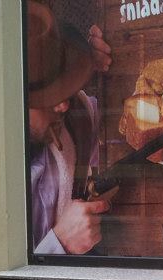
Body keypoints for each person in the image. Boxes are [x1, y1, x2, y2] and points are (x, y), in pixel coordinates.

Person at [27, 1, 112, 255]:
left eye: (63, 87)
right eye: (46, 98)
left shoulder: (77, 115)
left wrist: (91, 64)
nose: (63, 106)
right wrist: (60, 243)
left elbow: (103, 116)